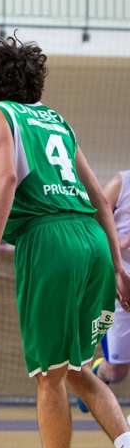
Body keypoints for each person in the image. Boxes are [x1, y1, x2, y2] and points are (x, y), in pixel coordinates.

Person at [0, 34, 130, 448]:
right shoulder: (58, 119)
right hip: (94, 242)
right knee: (80, 367)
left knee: (47, 376)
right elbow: (101, 196)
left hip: (49, 239)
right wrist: (120, 267)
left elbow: (6, 178)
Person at [76, 171, 130, 414]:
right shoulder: (122, 182)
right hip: (122, 284)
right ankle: (100, 372)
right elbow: (89, 218)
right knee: (117, 371)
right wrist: (117, 241)